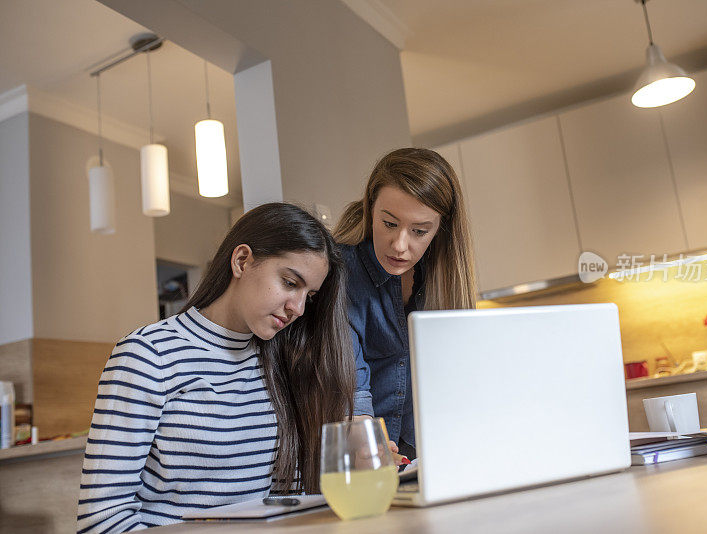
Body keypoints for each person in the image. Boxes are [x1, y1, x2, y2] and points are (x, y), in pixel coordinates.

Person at [77, 203, 354, 532]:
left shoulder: (284, 363)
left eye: (309, 296)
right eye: (290, 283)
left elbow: (288, 504)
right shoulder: (148, 355)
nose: (297, 308)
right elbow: (101, 518)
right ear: (241, 261)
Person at [334, 148, 477, 460]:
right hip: (363, 452)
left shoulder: (444, 278)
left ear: (441, 230)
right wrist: (368, 443)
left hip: (428, 453)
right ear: (370, 208)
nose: (400, 245)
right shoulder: (341, 274)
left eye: (419, 231)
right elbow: (351, 383)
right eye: (388, 223)